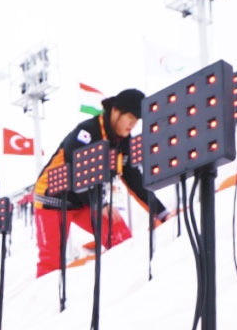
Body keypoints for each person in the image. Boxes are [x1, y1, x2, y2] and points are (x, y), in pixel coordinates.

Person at [32, 88, 167, 278]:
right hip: (53, 200)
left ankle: (118, 285)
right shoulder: (87, 132)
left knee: (122, 241)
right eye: (130, 117)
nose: (133, 124)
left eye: (137, 120)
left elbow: (134, 180)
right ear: (115, 111)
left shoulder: (123, 141)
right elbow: (75, 172)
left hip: (86, 201)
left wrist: (162, 213)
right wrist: (100, 203)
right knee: (51, 264)